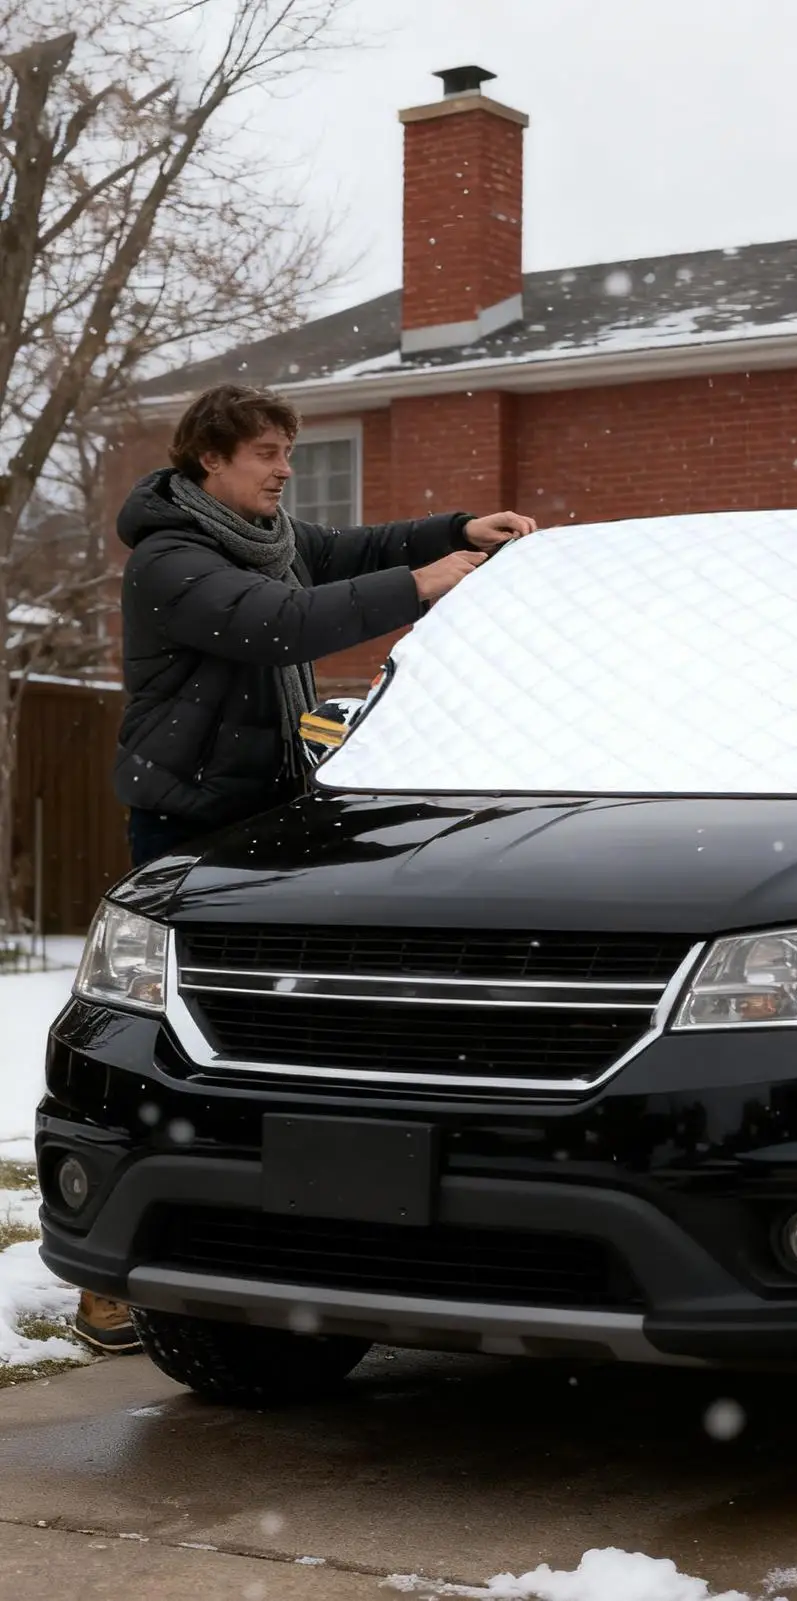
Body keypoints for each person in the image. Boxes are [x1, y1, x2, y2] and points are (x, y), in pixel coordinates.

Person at [75, 383, 535, 1355]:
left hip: (272, 819)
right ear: (210, 459)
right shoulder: (171, 559)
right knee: (166, 1045)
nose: (285, 469)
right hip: (186, 825)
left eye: (287, 450)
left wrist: (456, 529)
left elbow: (352, 549)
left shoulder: (266, 536)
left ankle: (262, 1236)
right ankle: (108, 1278)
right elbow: (279, 624)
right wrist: (423, 582)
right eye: (266, 453)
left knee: (269, 1045)